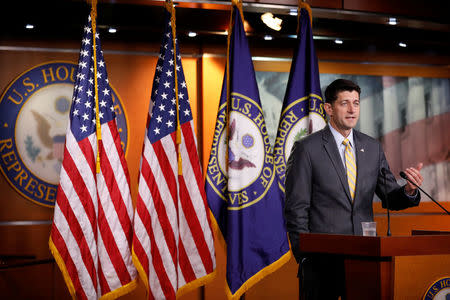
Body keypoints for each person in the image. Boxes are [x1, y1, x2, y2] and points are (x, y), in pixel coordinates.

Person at [284, 78, 423, 300]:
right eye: (344, 103)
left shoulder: (372, 147)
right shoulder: (307, 149)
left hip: (364, 260)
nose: (352, 110)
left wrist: (408, 190)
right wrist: (305, 256)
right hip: (321, 263)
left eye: (356, 103)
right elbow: (296, 207)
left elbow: (390, 197)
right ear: (329, 108)